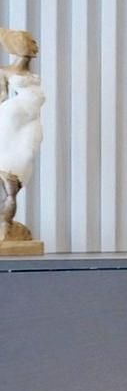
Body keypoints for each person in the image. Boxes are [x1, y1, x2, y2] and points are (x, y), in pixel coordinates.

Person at [0, 29, 45, 246]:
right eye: (29, 42)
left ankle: (5, 221)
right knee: (9, 171)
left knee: (25, 160)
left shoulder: (33, 77)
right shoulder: (5, 72)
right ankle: (4, 224)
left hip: (30, 127)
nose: (34, 46)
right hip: (11, 121)